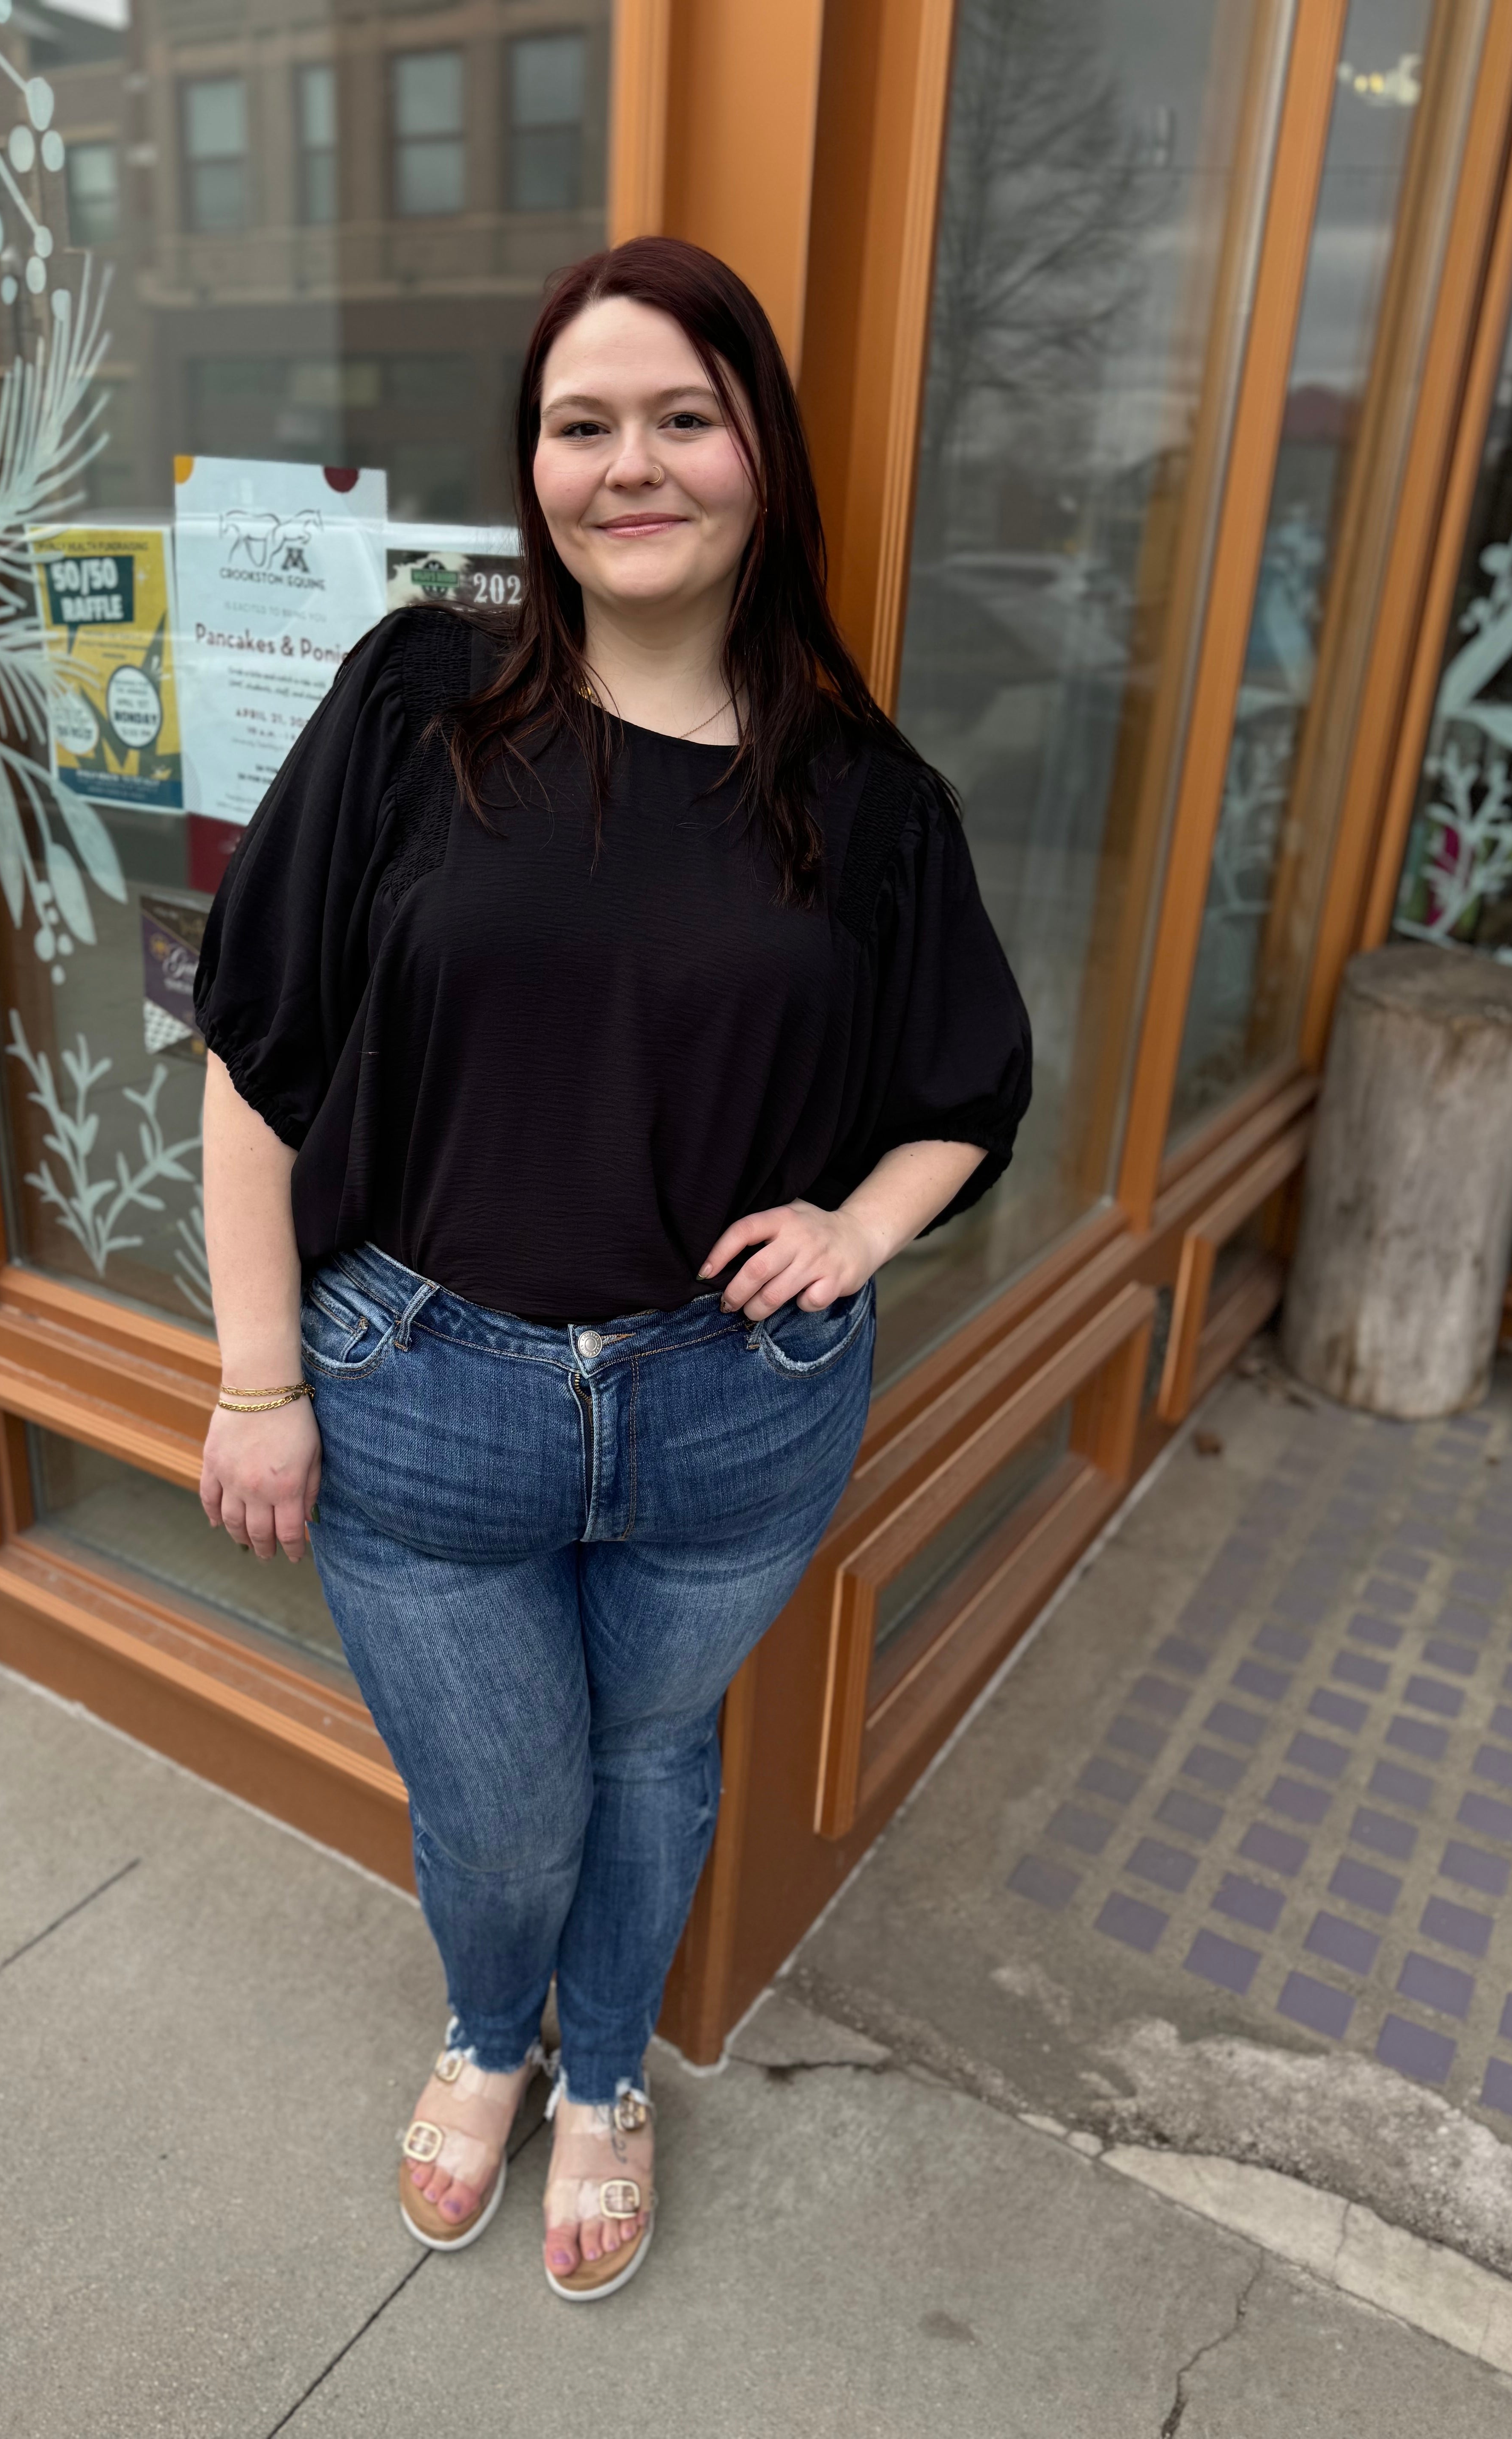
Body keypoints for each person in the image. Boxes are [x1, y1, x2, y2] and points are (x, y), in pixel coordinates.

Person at [192, 234, 1030, 2302]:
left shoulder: (863, 798)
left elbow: (968, 1091)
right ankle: (492, 2039)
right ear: (533, 465)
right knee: (499, 1810)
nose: (628, 464)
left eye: (682, 416)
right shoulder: (419, 701)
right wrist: (251, 1376)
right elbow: (256, 1050)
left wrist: (858, 1225)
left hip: (730, 1409)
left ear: (761, 456)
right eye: (584, 424)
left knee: (653, 1757)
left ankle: (604, 2082)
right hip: (420, 1386)